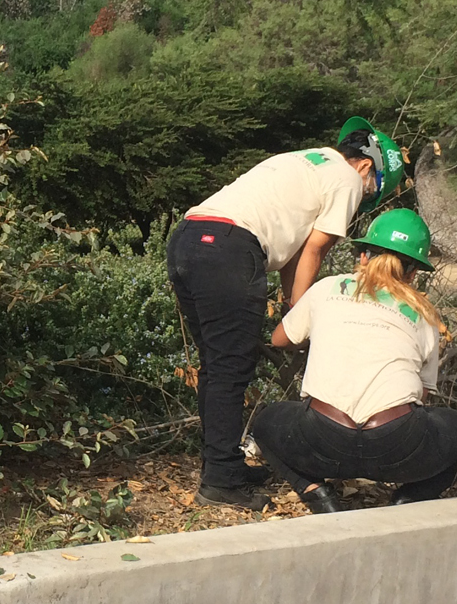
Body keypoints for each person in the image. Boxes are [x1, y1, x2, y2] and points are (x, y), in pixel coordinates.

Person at [167, 117, 408, 508]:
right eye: (374, 190)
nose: (365, 197)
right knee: (231, 368)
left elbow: (293, 256)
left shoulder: (306, 161)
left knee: (217, 365)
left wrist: (290, 307)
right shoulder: (346, 180)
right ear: (366, 166)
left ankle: (223, 465)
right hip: (229, 249)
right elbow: (314, 250)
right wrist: (301, 317)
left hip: (189, 239)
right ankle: (220, 481)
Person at [245, 209, 457, 514]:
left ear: (363, 258)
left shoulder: (328, 288)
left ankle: (316, 492)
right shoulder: (423, 312)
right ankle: (410, 497)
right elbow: (423, 393)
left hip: (322, 437)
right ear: (412, 273)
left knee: (267, 422)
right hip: (397, 445)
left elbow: (279, 339)